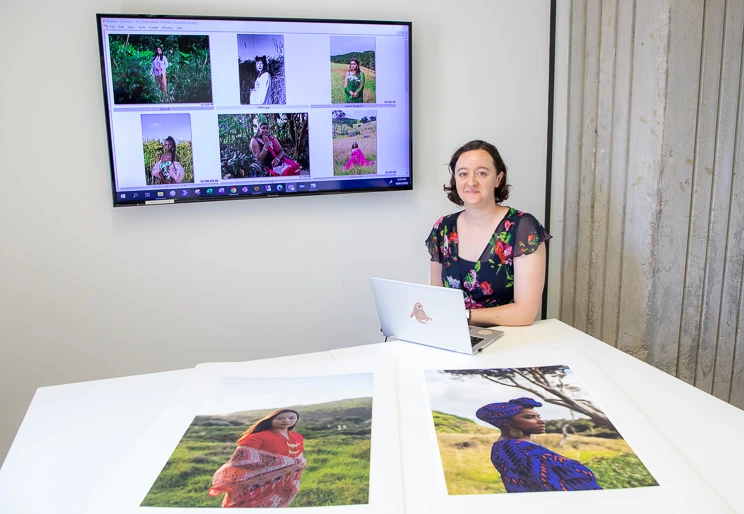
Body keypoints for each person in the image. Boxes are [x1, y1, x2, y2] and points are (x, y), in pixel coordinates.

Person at [425, 140, 551, 326]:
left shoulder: (523, 228)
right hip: (452, 335)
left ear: (498, 179)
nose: (471, 182)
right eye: (463, 174)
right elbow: (435, 297)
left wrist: (464, 315)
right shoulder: (443, 227)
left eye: (482, 173)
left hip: (508, 340)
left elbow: (525, 313)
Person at [476, 397, 602, 493]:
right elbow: (549, 488)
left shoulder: (508, 446)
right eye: (530, 417)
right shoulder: (520, 450)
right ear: (507, 423)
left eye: (538, 416)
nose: (541, 420)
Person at [209, 409, 307, 508]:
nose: (286, 420)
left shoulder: (297, 436)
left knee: (279, 504)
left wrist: (298, 465)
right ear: (271, 420)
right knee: (249, 504)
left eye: (291, 418)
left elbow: (299, 455)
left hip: (288, 478)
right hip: (258, 480)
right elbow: (240, 460)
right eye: (280, 418)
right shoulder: (257, 437)